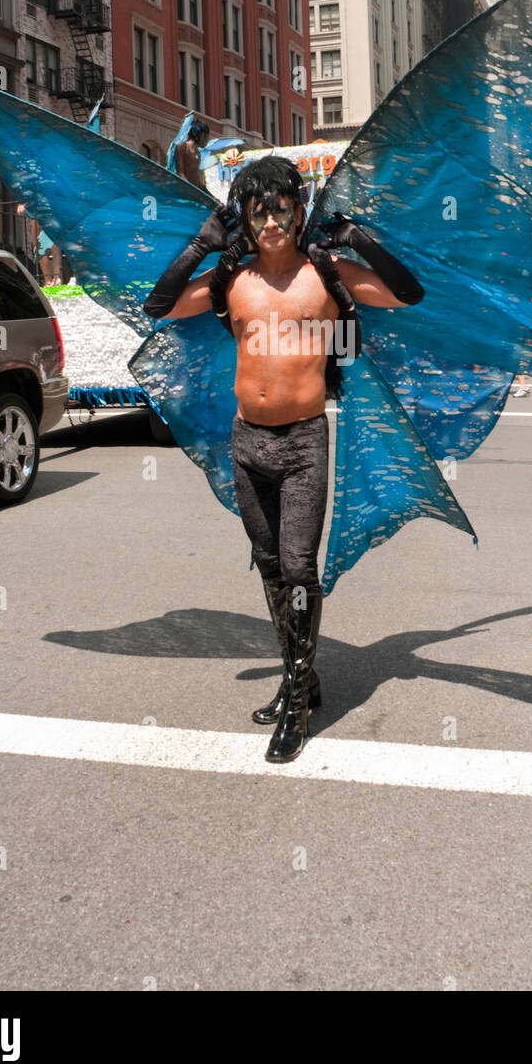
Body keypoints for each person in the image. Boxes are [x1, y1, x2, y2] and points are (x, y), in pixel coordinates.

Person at [142, 156, 423, 764]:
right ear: (244, 217)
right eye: (258, 209)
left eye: (281, 207)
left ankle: (295, 698)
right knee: (269, 565)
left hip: (302, 442)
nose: (271, 221)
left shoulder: (326, 275)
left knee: (299, 567)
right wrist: (198, 245)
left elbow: (408, 292)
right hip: (246, 442)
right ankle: (304, 674)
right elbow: (158, 306)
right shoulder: (231, 281)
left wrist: (359, 239)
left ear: (299, 210)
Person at [171, 118, 209, 191]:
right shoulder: (182, 147)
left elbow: (197, 180)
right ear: (202, 135)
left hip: (194, 194)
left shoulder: (198, 153)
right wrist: (191, 191)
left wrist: (212, 197)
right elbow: (180, 173)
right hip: (183, 193)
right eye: (207, 137)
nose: (208, 140)